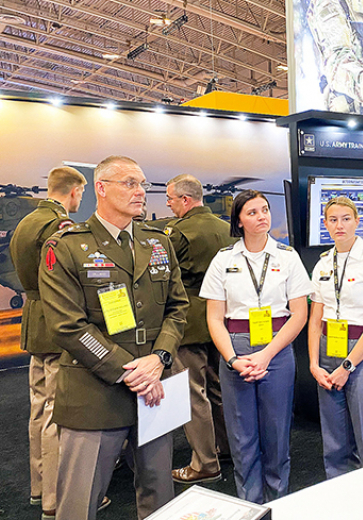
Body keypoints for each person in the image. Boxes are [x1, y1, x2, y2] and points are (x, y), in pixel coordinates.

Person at [39, 155, 189, 520]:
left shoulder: (157, 242)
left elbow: (177, 308)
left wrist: (159, 360)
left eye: (142, 184)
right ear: (101, 189)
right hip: (96, 393)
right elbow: (68, 326)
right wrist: (130, 371)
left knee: (160, 496)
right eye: (130, 183)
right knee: (80, 501)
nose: (141, 192)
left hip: (156, 387)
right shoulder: (66, 247)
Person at [200, 190, 312, 503]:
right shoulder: (224, 260)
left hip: (275, 350)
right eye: (252, 212)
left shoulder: (287, 257)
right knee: (241, 435)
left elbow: (299, 313)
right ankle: (249, 504)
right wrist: (234, 358)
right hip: (234, 350)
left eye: (265, 210)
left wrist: (266, 354)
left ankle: (277, 501)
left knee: (276, 433)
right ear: (238, 220)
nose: (262, 216)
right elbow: (214, 318)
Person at [9, 166, 86, 519]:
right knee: (57, 412)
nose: (79, 200)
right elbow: (65, 279)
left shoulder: (25, 223)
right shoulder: (59, 226)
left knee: (39, 409)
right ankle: (56, 499)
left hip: (33, 323)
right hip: (56, 326)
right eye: (81, 194)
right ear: (72, 192)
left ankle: (40, 488)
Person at [308, 196, 363, 478]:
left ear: (357, 221)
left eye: (346, 219)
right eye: (333, 220)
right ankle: (337, 493)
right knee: (333, 436)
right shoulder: (322, 263)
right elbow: (314, 319)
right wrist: (313, 363)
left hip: (362, 351)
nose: (340, 225)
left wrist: (347, 367)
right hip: (326, 348)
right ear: (325, 224)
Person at [164, 174, 237, 484]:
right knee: (220, 389)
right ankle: (228, 447)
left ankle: (204, 463)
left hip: (189, 322)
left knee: (192, 394)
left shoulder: (177, 234)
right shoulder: (227, 230)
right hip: (222, 319)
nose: (167, 204)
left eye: (170, 199)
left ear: (185, 200)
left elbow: (166, 278)